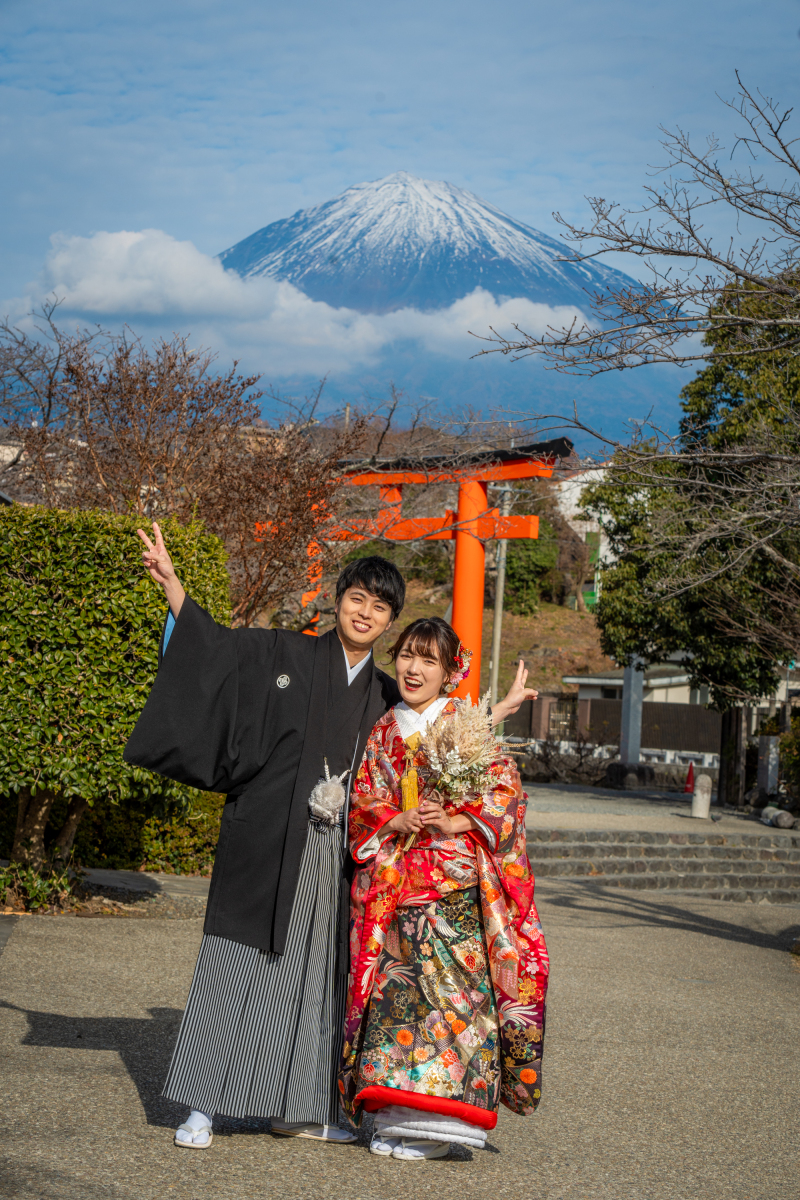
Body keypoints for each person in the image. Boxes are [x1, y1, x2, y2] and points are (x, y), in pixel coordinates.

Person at [124, 524, 535, 1150]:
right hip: (270, 835)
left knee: (319, 977)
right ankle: (203, 1106)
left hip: (344, 851)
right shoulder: (284, 653)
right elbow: (218, 651)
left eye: (380, 607)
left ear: (389, 621)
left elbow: (443, 736)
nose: (365, 613)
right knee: (237, 965)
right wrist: (174, 588)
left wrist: (496, 714)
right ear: (337, 600)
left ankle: (301, 1107)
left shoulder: (387, 695)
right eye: (357, 598)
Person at [339, 617, 549, 1162]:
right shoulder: (384, 730)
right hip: (397, 886)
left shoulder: (465, 723)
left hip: (456, 889)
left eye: (429, 660)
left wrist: (456, 821)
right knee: (398, 1004)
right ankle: (397, 1118)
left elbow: (505, 796)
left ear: (450, 670)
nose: (414, 669)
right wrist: (393, 818)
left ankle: (443, 1126)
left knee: (454, 1005)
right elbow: (363, 800)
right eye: (407, 655)